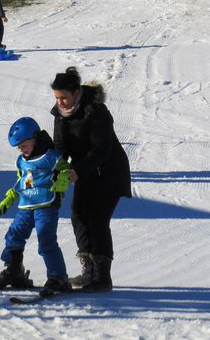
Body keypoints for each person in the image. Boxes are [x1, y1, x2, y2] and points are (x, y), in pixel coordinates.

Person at [50, 67, 132, 292]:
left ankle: (102, 277)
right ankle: (89, 271)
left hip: (110, 174)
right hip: (85, 174)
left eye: (64, 97)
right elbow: (60, 148)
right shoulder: (60, 114)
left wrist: (77, 171)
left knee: (97, 220)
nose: (61, 102)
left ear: (76, 92)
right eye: (57, 97)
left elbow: (101, 149)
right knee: (78, 216)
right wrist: (55, 172)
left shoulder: (96, 112)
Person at [0, 117, 72, 292]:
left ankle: (58, 277)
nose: (21, 149)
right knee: (14, 234)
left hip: (46, 205)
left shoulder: (51, 157)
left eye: (24, 145)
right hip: (26, 205)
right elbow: (22, 180)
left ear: (36, 138)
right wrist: (11, 196)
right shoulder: (22, 161)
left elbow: (66, 169)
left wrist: (63, 179)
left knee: (46, 239)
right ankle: (14, 270)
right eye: (18, 147)